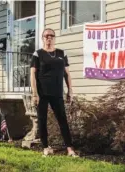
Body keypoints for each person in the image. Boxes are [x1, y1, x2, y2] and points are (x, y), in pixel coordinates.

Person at [30, 28, 79, 157]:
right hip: (42, 94)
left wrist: (70, 90)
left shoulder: (62, 53)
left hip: (57, 93)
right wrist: (35, 94)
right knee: (42, 120)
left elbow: (67, 74)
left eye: (51, 35)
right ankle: (46, 147)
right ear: (42, 38)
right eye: (46, 36)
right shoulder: (38, 54)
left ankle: (70, 149)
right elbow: (32, 75)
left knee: (63, 120)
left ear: (54, 38)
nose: (49, 38)